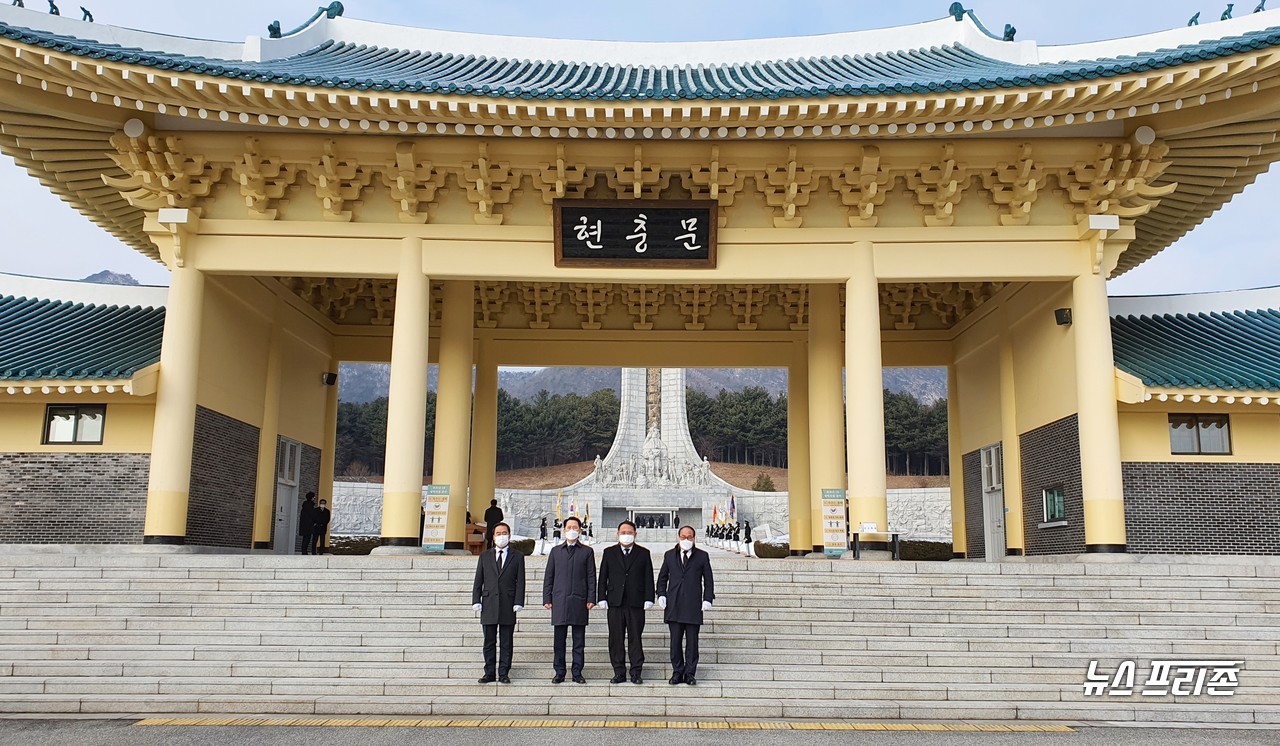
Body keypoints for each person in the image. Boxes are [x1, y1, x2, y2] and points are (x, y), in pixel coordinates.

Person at [596, 520, 655, 684]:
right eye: (623, 532)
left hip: (636, 603)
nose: (626, 535)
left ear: (635, 534)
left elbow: (648, 577)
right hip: (615, 602)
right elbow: (603, 577)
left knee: (635, 638)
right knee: (616, 638)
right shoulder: (609, 552)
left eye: (629, 532)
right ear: (617, 534)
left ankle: (636, 672)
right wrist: (601, 596)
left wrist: (650, 598)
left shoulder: (643, 553)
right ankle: (619, 672)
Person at [656, 525, 715, 686]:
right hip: (673, 604)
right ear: (678, 537)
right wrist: (661, 594)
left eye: (689, 537)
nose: (686, 539)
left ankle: (690, 673)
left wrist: (708, 598)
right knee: (675, 642)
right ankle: (677, 672)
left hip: (693, 605)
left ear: (694, 538)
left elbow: (708, 580)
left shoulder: (702, 556)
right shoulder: (669, 555)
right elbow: (662, 578)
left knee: (692, 642)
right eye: (683, 536)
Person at [542, 516, 596, 684]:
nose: (572, 530)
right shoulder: (556, 551)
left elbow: (591, 577)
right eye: (569, 527)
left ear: (580, 530)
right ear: (564, 530)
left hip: (580, 601)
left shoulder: (587, 551)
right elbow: (549, 576)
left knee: (578, 641)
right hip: (559, 600)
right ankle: (559, 672)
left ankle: (577, 672)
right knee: (559, 641)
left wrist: (591, 598)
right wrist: (547, 597)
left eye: (575, 527)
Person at [471, 522, 526, 684]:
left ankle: (503, 672)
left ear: (509, 535)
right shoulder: (484, 556)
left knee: (506, 641)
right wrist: (476, 599)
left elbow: (520, 581)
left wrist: (519, 601)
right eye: (498, 533)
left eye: (504, 533)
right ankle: (489, 672)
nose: (501, 536)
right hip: (488, 603)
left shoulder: (517, 556)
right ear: (493, 536)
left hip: (508, 604)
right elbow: (478, 580)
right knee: (489, 641)